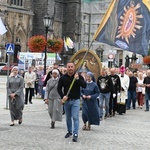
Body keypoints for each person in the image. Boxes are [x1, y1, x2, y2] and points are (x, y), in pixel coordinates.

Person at [57, 62, 86, 142]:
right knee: (68, 117)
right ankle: (69, 131)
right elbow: (59, 88)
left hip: (75, 100)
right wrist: (63, 96)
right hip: (67, 101)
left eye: (71, 67)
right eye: (69, 66)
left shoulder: (78, 76)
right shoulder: (63, 77)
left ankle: (75, 133)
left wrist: (77, 79)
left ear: (74, 67)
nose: (70, 68)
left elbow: (84, 85)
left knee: (75, 117)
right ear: (67, 67)